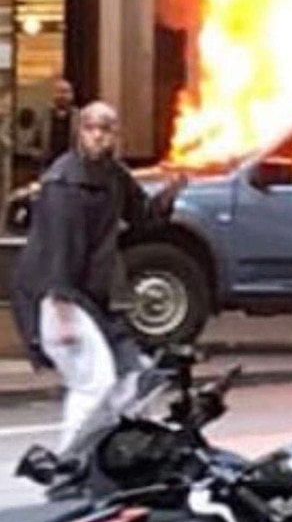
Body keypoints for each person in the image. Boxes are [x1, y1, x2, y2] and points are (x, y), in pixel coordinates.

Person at [9, 101, 187, 451]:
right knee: (93, 382)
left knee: (133, 375)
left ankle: (103, 457)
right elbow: (59, 249)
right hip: (59, 296)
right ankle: (71, 461)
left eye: (106, 130)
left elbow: (143, 219)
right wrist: (59, 306)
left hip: (91, 296)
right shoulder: (64, 183)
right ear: (80, 131)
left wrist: (170, 194)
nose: (99, 136)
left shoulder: (113, 175)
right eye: (92, 128)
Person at [37, 78, 81, 170]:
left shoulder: (80, 117)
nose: (62, 95)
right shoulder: (43, 117)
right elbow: (31, 145)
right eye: (59, 92)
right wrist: (40, 155)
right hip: (48, 167)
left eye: (66, 92)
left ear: (72, 95)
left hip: (73, 168)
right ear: (53, 95)